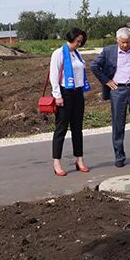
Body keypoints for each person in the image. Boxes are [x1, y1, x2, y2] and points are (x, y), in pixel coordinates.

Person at [90, 27, 130, 167]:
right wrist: (107, 81)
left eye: (128, 42)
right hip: (118, 91)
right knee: (118, 124)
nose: (125, 45)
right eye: (122, 42)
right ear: (117, 40)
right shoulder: (108, 51)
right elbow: (94, 65)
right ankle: (119, 157)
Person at [49, 27, 91, 176]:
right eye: (77, 41)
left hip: (78, 93)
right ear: (71, 38)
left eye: (81, 41)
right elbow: (54, 75)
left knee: (77, 128)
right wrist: (57, 95)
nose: (79, 43)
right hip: (64, 93)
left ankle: (79, 159)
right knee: (61, 128)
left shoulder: (77, 54)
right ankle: (56, 162)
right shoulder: (59, 53)